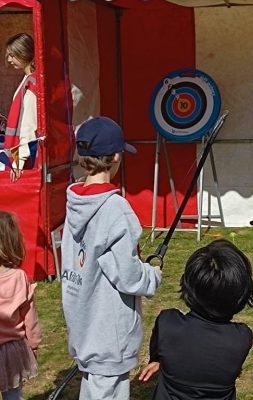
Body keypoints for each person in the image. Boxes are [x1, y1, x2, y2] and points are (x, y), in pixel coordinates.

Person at [61, 116, 162, 400]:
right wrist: (152, 275)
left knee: (94, 386)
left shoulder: (74, 199)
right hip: (108, 332)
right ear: (116, 156)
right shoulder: (116, 209)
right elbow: (129, 277)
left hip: (83, 321)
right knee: (107, 390)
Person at [139, 239, 253, 400]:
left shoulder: (168, 323)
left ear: (187, 283)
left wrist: (160, 361)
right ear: (242, 293)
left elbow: (160, 354)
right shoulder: (241, 337)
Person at [0, 211, 42, 400]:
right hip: (12, 351)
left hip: (11, 350)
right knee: (13, 394)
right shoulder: (19, 278)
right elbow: (29, 317)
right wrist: (33, 344)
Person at [4, 33, 37, 182]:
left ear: (24, 53)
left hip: (24, 158)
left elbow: (28, 129)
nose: (9, 60)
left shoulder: (30, 86)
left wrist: (18, 162)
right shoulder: (29, 80)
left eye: (13, 55)